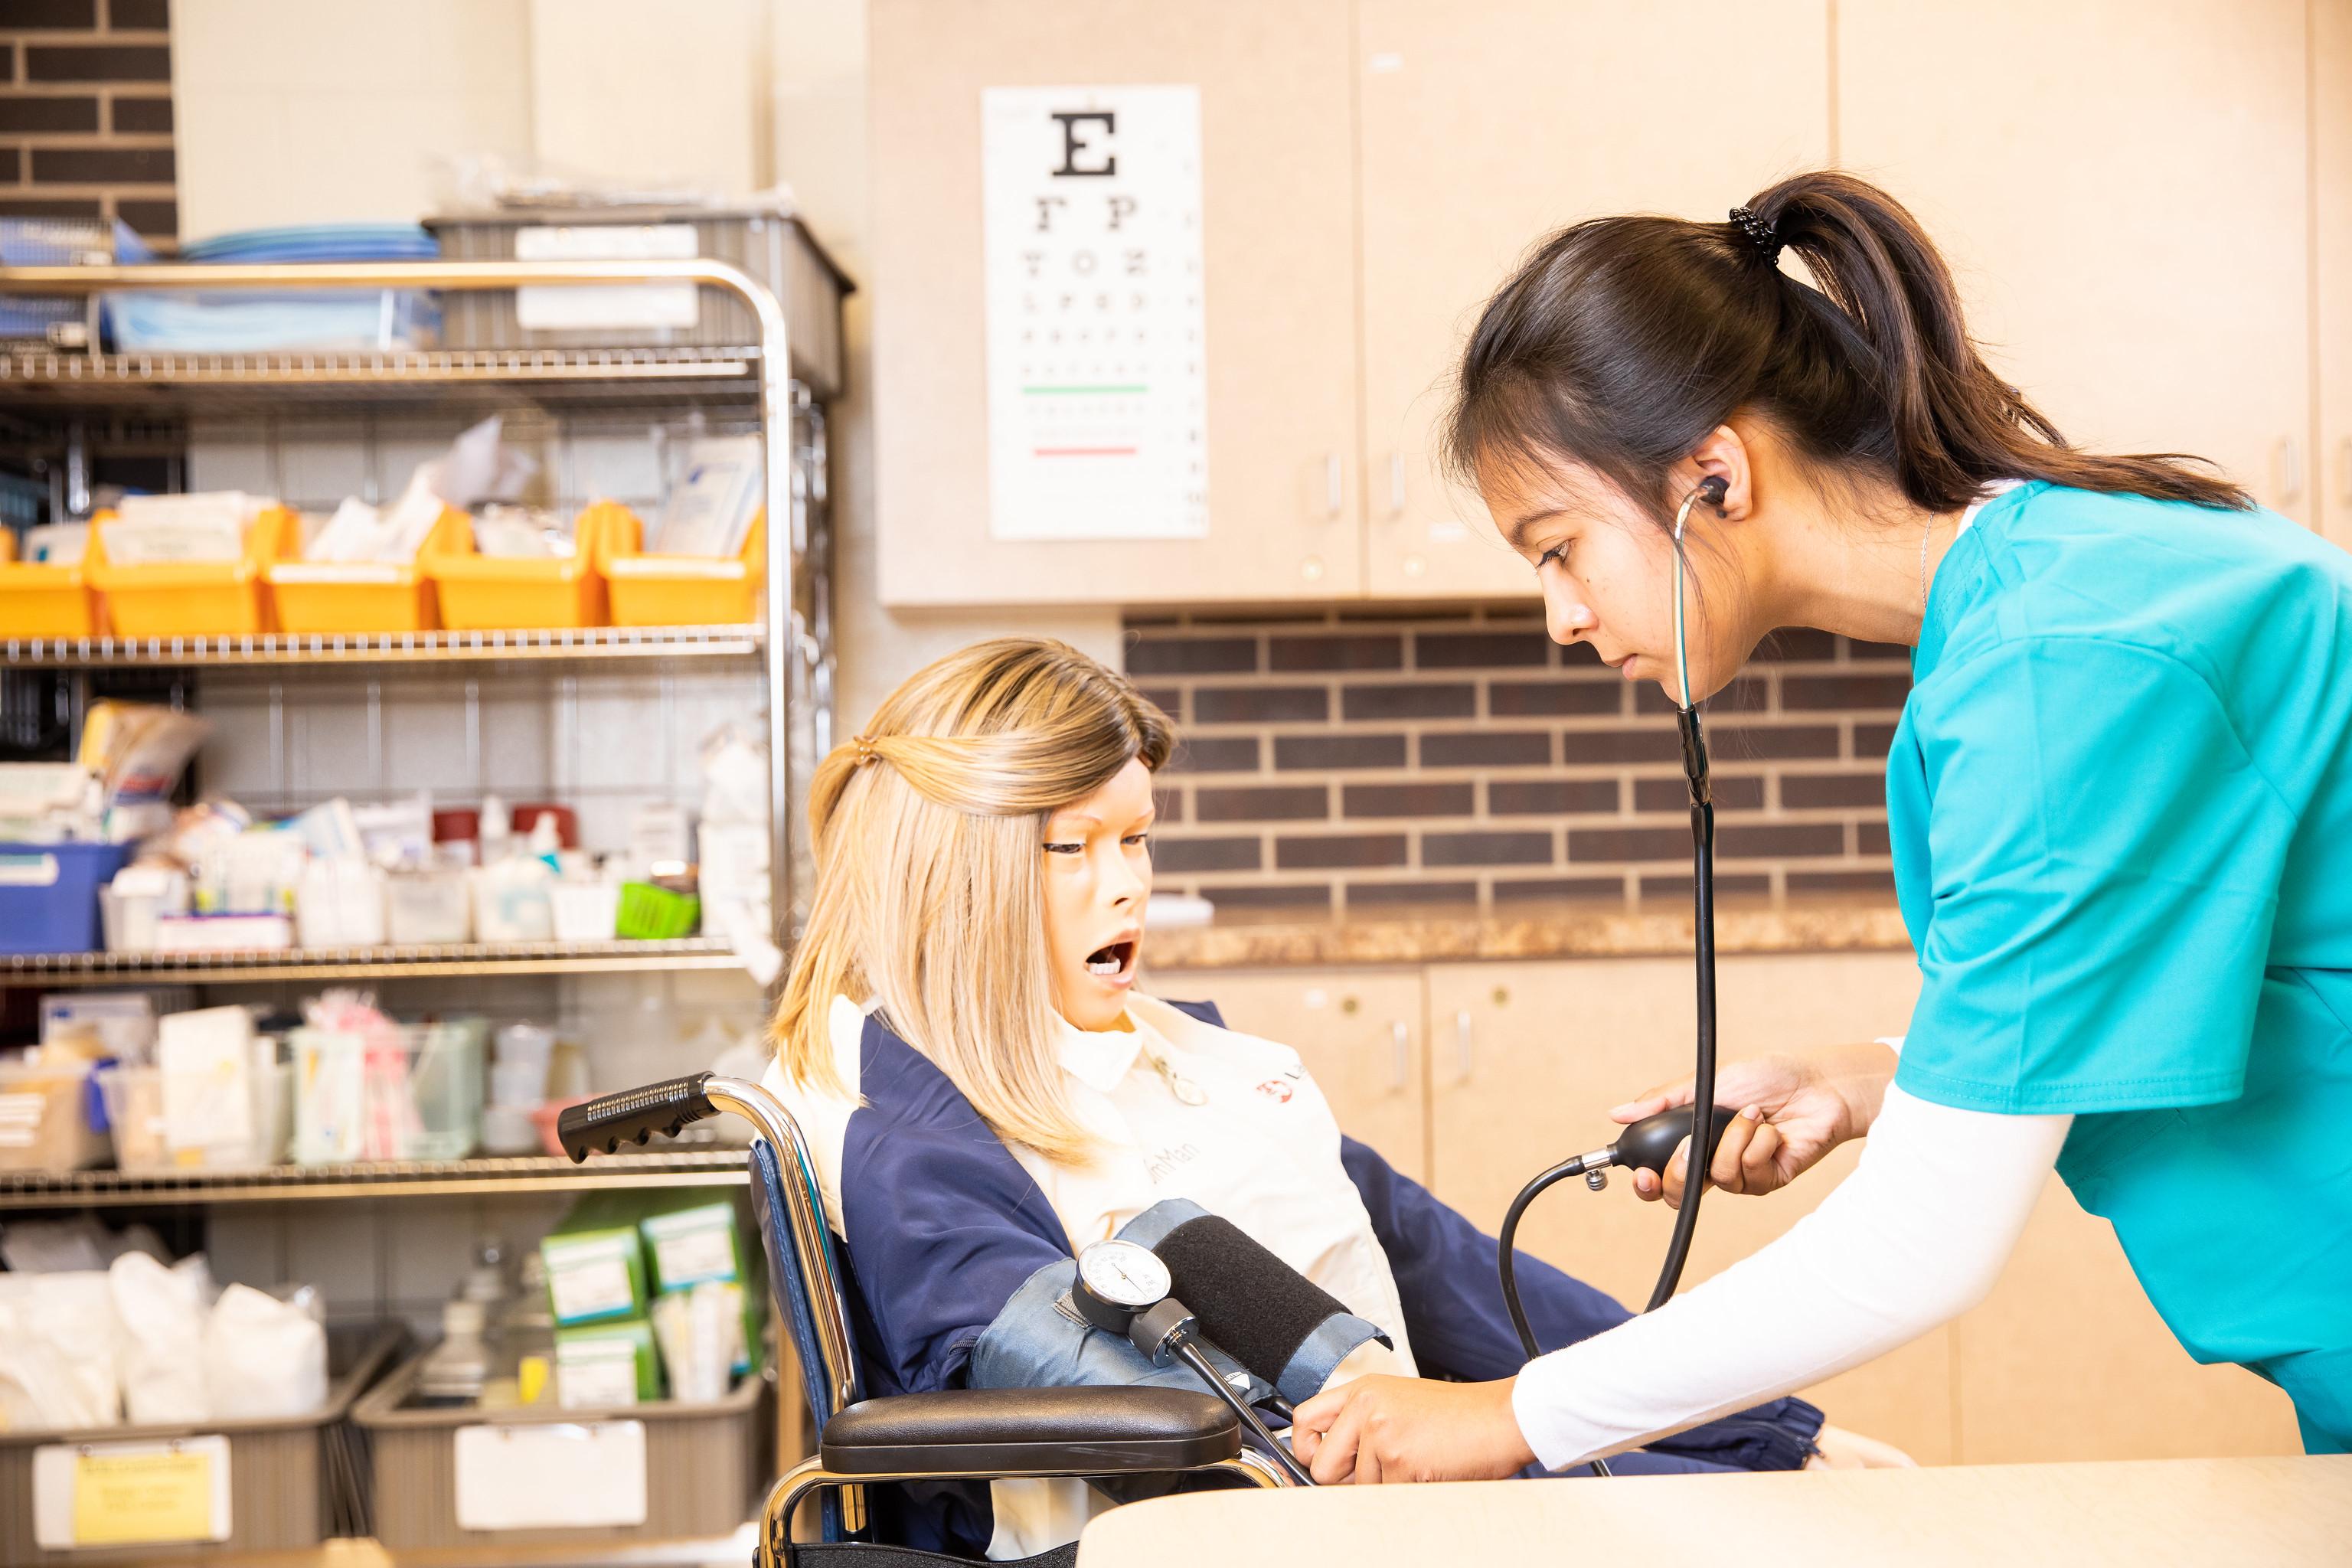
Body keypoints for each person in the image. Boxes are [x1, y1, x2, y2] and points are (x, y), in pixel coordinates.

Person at [1287, 168, 2352, 1485]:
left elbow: (1924, 1246)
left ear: (1713, 475)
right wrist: (1868, 1079)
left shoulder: (2057, 668)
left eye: (1559, 546)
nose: (1559, 615)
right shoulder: (2058, 596)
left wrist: (1510, 1414)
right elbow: (2219, 972)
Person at [763, 637, 1902, 1560]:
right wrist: (1535, 1464)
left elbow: (1438, 1268)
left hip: (1375, 1496)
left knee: (1817, 1507)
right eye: (1074, 848)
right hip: (1283, 1518)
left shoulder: (1188, 1061)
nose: (1130, 883)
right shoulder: (905, 1129)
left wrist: (1767, 1434)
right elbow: (1135, 1404)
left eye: (1140, 838)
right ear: (954, 872)